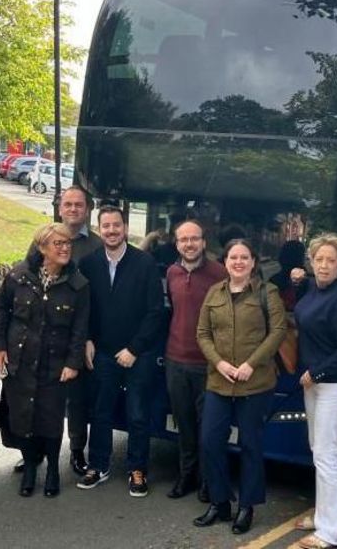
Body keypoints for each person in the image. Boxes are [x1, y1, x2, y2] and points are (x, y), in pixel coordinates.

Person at [0, 223, 90, 498]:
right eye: (58, 243)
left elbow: (80, 329)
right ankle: (31, 466)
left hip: (55, 365)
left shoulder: (77, 285)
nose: (65, 248)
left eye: (67, 243)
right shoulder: (20, 276)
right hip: (20, 361)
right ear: (42, 247)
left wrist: (73, 363)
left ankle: (54, 469)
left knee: (51, 419)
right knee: (22, 417)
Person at [194, 239, 286, 535]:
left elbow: (278, 332)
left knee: (251, 445)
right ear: (225, 261)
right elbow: (203, 333)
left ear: (253, 262)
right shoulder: (214, 293)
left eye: (244, 257)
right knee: (209, 441)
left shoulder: (267, 293)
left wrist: (251, 364)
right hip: (219, 380)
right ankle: (220, 502)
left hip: (255, 383)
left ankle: (247, 506)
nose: (238, 262)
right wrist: (219, 363)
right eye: (233, 257)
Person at [76, 205, 165, 497]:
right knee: (100, 411)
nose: (111, 231)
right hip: (102, 352)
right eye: (106, 226)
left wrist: (134, 349)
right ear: (99, 229)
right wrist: (88, 338)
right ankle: (98, 465)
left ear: (125, 228)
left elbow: (155, 312)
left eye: (116, 225)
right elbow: (84, 308)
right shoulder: (88, 264)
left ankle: (136, 468)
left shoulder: (145, 263)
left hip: (139, 353)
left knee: (137, 413)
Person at [290, 234, 337, 549]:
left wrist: (316, 372)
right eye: (318, 259)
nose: (324, 265)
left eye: (331, 261)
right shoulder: (314, 287)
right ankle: (322, 516)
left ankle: (332, 531)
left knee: (326, 453)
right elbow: (306, 311)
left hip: (335, 382)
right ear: (311, 262)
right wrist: (295, 281)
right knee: (317, 449)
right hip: (316, 382)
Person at [165, 220, 227, 500]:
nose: (189, 244)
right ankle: (185, 475)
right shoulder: (172, 272)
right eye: (183, 240)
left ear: (204, 242)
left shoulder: (219, 274)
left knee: (207, 429)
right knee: (184, 424)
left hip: (208, 364)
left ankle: (206, 480)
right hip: (175, 360)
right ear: (176, 244)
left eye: (194, 239)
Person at [56, 186, 102, 476]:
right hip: (47, 333)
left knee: (77, 400)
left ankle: (76, 451)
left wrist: (89, 337)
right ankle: (36, 450)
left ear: (88, 209)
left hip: (80, 335)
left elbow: (98, 298)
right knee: (43, 396)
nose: (73, 209)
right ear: (61, 208)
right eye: (68, 204)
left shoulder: (97, 246)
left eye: (79, 205)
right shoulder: (46, 239)